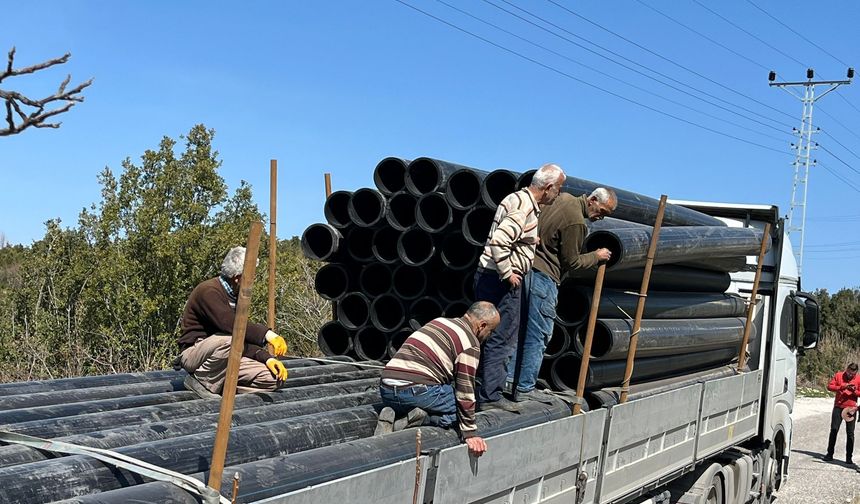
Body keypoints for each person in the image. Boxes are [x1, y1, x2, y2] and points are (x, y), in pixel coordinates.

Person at [505, 188, 618, 400]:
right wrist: (596, 255)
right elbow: (572, 261)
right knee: (538, 335)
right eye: (602, 211)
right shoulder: (577, 222)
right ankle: (524, 388)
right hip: (544, 279)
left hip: (524, 270)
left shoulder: (561, 199)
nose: (601, 217)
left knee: (516, 329)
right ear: (592, 200)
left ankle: (508, 381)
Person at [473, 163, 566, 412]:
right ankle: (491, 396)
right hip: (500, 280)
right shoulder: (525, 207)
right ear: (547, 188)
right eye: (558, 189)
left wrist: (529, 240)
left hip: (487, 275)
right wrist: (509, 273)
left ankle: (478, 387)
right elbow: (499, 240)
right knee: (502, 338)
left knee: (482, 334)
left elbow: (509, 232)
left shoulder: (516, 199)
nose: (558, 195)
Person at [375, 301, 500, 457]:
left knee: (447, 395)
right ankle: (425, 419)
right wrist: (470, 433)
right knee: (468, 409)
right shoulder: (470, 344)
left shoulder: (439, 322)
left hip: (386, 390)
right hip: (417, 392)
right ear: (481, 325)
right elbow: (465, 391)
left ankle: (402, 416)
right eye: (491, 331)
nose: (490, 336)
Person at [178, 246, 289, 397]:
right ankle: (200, 382)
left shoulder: (235, 295)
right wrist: (268, 335)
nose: (253, 279)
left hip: (225, 355)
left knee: (272, 379)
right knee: (230, 340)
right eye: (250, 275)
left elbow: (241, 339)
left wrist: (267, 358)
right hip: (196, 354)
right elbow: (231, 325)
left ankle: (223, 386)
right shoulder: (209, 291)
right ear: (237, 278)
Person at [825, 362, 860, 464]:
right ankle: (829, 454)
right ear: (847, 369)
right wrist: (842, 386)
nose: (850, 375)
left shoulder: (858, 379)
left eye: (852, 374)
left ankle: (849, 458)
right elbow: (830, 386)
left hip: (851, 409)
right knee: (834, 430)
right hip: (838, 407)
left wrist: (854, 391)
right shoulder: (839, 375)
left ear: (856, 373)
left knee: (850, 433)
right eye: (849, 373)